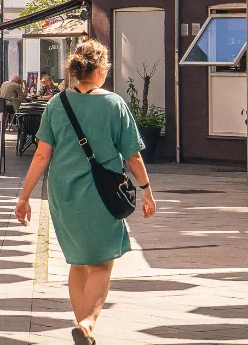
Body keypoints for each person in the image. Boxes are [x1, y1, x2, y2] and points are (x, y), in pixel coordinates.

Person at [14, 40, 155, 345]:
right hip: (103, 196)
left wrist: (24, 197)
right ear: (101, 68)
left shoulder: (56, 103)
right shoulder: (114, 104)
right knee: (103, 263)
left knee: (78, 262)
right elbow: (132, 155)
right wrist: (146, 190)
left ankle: (83, 330)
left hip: (62, 194)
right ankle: (88, 323)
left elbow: (41, 155)